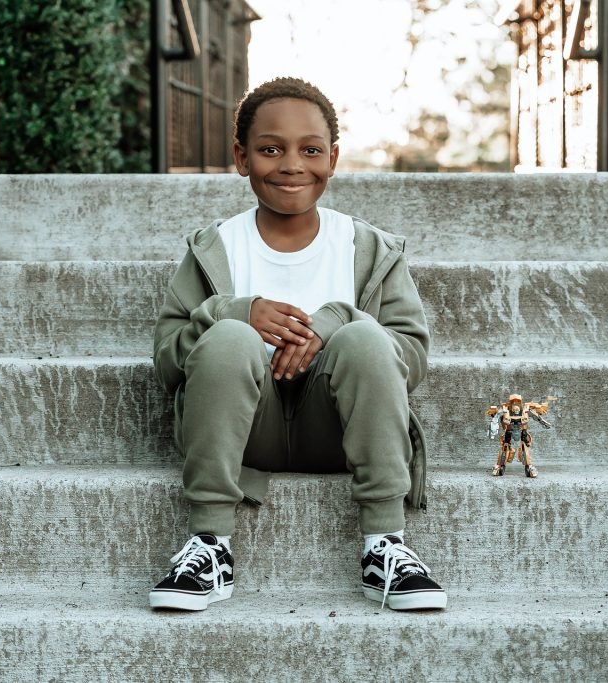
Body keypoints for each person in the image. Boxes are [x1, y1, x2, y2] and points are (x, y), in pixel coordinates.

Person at [149, 77, 446, 612]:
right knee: (230, 337)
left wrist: (337, 321)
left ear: (332, 159)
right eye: (270, 149)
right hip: (244, 436)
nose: (291, 164)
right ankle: (210, 545)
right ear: (241, 158)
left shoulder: (367, 247)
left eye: (310, 150)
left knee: (363, 337)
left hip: (337, 430)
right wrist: (233, 313)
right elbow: (169, 362)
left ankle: (386, 544)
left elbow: (412, 357)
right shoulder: (216, 248)